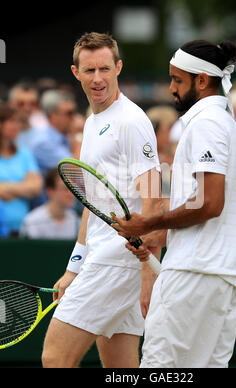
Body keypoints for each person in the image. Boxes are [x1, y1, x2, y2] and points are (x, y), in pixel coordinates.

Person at [113, 40, 236, 368]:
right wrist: (160, 237)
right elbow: (208, 207)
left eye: (177, 80)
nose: (171, 88)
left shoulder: (207, 124)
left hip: (194, 276)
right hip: (220, 278)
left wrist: (148, 224)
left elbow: (210, 204)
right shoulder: (222, 122)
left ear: (202, 81)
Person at [41, 32, 161, 368]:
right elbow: (90, 201)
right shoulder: (93, 123)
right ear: (75, 72)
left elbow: (153, 201)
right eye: (89, 70)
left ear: (118, 68)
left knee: (55, 357)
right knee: (120, 368)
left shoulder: (132, 122)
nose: (98, 79)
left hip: (118, 259)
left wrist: (147, 269)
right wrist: (72, 268)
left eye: (105, 69)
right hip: (108, 258)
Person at [0, 103, 43, 236]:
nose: (18, 126)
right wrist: (22, 188)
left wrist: (5, 188)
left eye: (18, 122)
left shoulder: (24, 153)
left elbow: (36, 187)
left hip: (21, 231)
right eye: (12, 121)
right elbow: (29, 187)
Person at [20, 168, 79, 239]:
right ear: (50, 191)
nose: (71, 194)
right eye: (65, 189)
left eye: (73, 189)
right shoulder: (32, 221)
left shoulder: (77, 221)